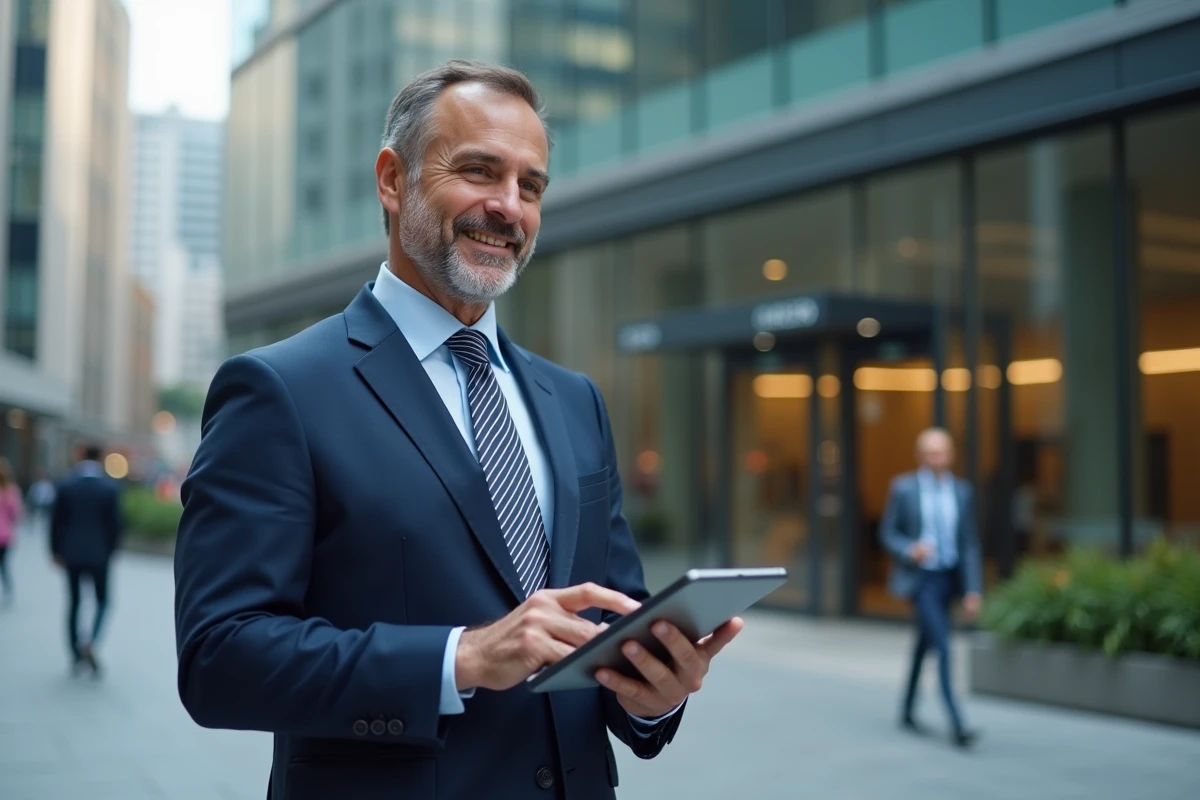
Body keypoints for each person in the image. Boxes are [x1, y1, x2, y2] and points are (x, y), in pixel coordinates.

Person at [173, 60, 743, 800]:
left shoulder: (575, 402)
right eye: (479, 171)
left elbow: (609, 626)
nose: (508, 207)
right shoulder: (280, 389)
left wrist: (653, 692)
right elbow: (220, 659)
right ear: (392, 180)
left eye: (530, 186)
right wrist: (461, 658)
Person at [878, 427, 983, 748]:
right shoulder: (905, 488)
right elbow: (887, 533)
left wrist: (972, 588)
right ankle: (957, 722)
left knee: (924, 645)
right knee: (944, 646)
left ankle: (907, 709)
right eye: (931, 452)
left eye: (943, 451)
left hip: (949, 576)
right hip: (922, 579)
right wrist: (910, 550)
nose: (938, 458)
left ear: (951, 454)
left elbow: (969, 543)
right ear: (921, 455)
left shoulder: (962, 491)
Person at [50, 444, 123, 676]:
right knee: (103, 601)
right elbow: (116, 524)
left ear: (81, 456)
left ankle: (74, 652)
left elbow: (56, 522)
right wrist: (112, 551)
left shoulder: (66, 484)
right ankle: (90, 642)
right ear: (100, 458)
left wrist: (55, 551)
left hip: (70, 553)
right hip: (99, 553)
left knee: (74, 602)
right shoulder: (109, 487)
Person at [0, 457, 23, 605]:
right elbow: (16, 513)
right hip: (5, 535)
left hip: (5, 534)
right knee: (3, 564)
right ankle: (8, 589)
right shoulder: (11, 491)